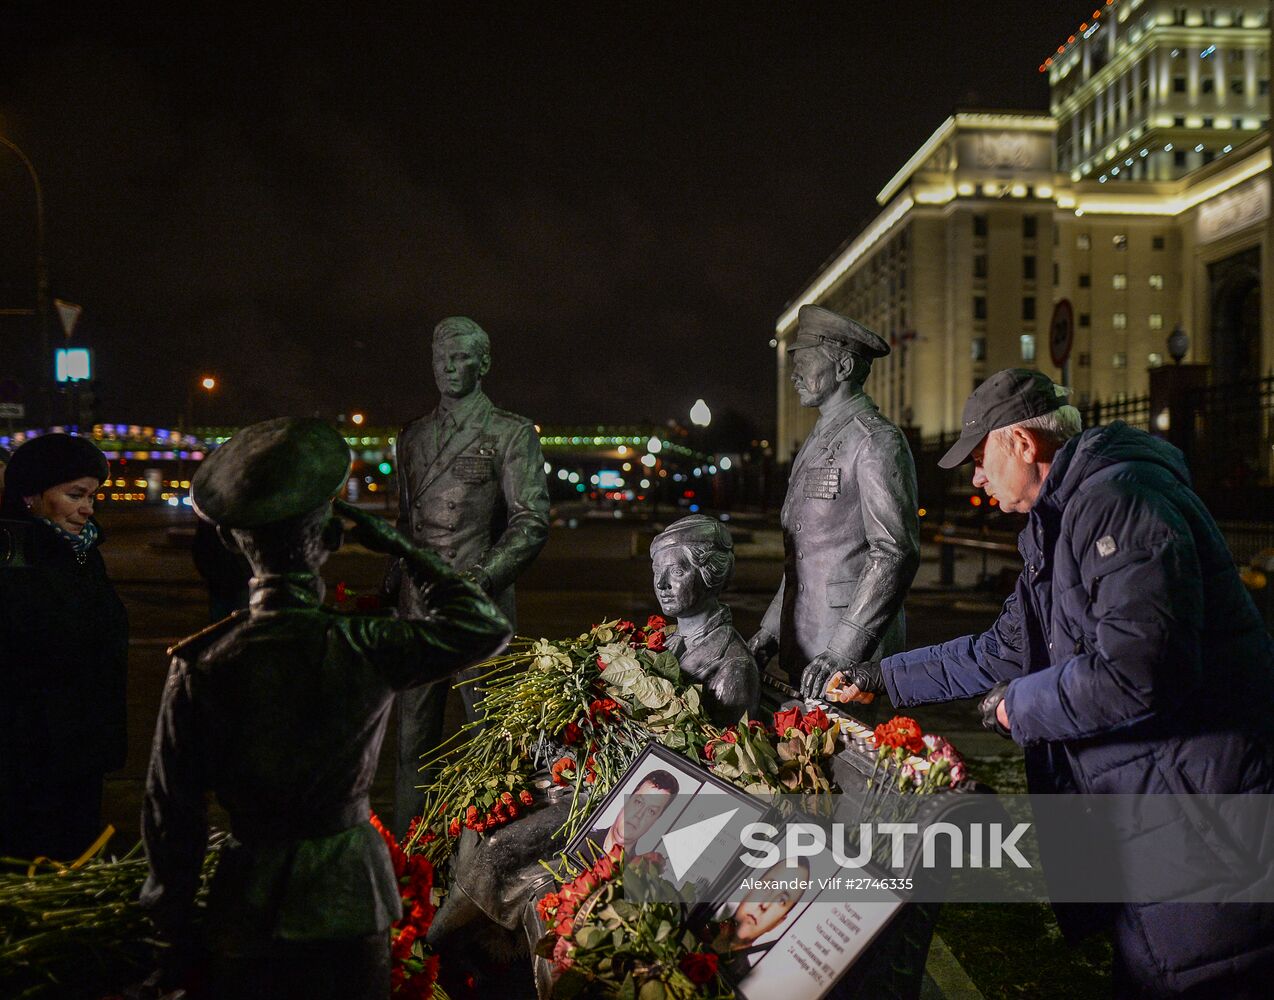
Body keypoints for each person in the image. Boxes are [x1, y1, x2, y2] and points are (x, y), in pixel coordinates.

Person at [827, 368, 1274, 997]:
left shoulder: (1118, 501)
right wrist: (883, 678)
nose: (977, 477)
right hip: (1155, 816)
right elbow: (1003, 649)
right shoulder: (1059, 522)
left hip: (1203, 823)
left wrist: (1018, 706)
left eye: (981, 458)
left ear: (1021, 443)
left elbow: (1140, 670)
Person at [140, 417, 511, 999]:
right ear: (334, 537)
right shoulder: (362, 642)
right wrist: (400, 545)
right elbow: (483, 626)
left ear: (235, 543)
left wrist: (170, 932)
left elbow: (170, 817)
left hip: (247, 901)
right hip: (348, 898)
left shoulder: (202, 663)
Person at [390, 316, 550, 833]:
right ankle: (409, 861)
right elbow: (405, 523)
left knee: (490, 746)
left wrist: (481, 578)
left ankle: (484, 863)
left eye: (459, 357)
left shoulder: (510, 432)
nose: (447, 368)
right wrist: (391, 577)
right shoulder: (411, 437)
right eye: (440, 358)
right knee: (412, 746)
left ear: (483, 363)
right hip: (418, 612)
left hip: (478, 609)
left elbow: (530, 522)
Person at [747, 305, 920, 709]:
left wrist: (844, 650)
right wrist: (772, 629)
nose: (794, 374)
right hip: (806, 645)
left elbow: (895, 553)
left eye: (804, 361)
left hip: (849, 661)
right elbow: (806, 557)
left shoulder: (875, 441)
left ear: (842, 366)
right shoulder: (818, 439)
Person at [0, 433, 125, 862]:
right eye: (76, 495)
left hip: (82, 750)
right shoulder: (13, 560)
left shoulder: (85, 553)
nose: (88, 508)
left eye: (92, 496)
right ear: (31, 495)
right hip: (28, 757)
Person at [651, 515, 759, 725]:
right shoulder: (668, 641)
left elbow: (725, 750)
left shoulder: (735, 667)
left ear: (710, 574)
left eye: (676, 572)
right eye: (656, 572)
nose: (662, 584)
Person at [711, 856, 811, 979]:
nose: (765, 905)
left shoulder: (744, 978)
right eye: (768, 886)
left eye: (781, 900)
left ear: (778, 922)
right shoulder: (697, 920)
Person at [583, 769, 679, 856]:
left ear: (656, 820)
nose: (639, 815)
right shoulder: (582, 839)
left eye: (651, 811)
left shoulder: (637, 873)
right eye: (638, 802)